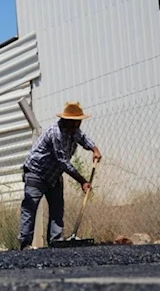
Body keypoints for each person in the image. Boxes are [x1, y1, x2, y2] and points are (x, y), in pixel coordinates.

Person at [18, 101, 102, 250]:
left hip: (54, 175)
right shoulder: (55, 133)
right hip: (36, 173)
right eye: (75, 122)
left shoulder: (74, 131)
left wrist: (94, 149)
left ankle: (56, 242)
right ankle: (25, 244)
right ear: (66, 120)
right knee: (30, 207)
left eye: (79, 121)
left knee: (57, 208)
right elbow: (63, 162)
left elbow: (84, 139)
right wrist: (82, 181)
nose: (77, 125)